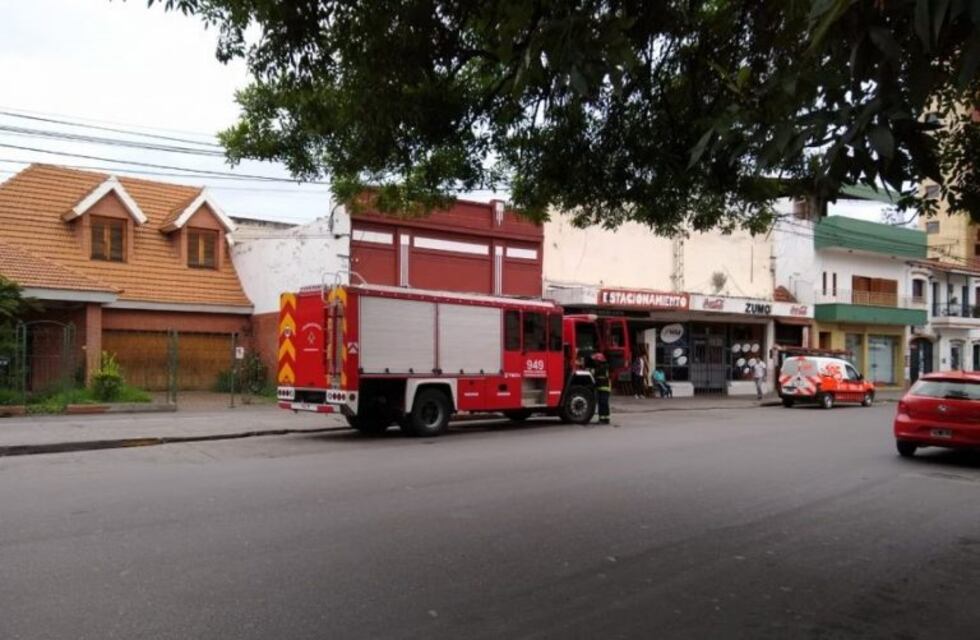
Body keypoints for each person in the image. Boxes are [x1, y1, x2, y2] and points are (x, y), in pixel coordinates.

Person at [590, 352, 612, 425]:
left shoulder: (603, 367)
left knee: (603, 403)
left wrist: (592, 372)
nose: (594, 362)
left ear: (599, 360)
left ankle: (606, 419)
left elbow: (598, 376)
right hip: (601, 388)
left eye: (595, 360)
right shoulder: (601, 367)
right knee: (601, 404)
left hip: (605, 388)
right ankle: (602, 418)